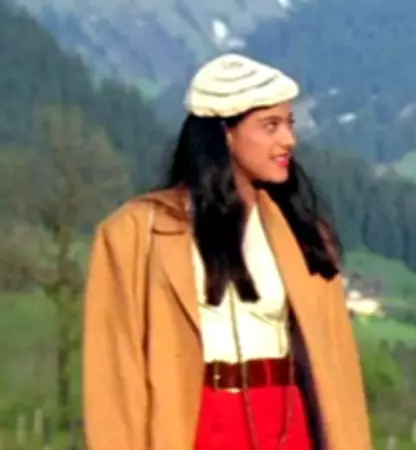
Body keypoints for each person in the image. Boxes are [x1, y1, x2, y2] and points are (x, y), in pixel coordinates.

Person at [81, 53, 372, 450]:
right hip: (194, 420)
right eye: (270, 126)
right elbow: (114, 370)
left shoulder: (302, 232)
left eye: (289, 123)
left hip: (288, 421)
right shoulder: (137, 232)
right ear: (225, 134)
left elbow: (338, 366)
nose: (289, 140)